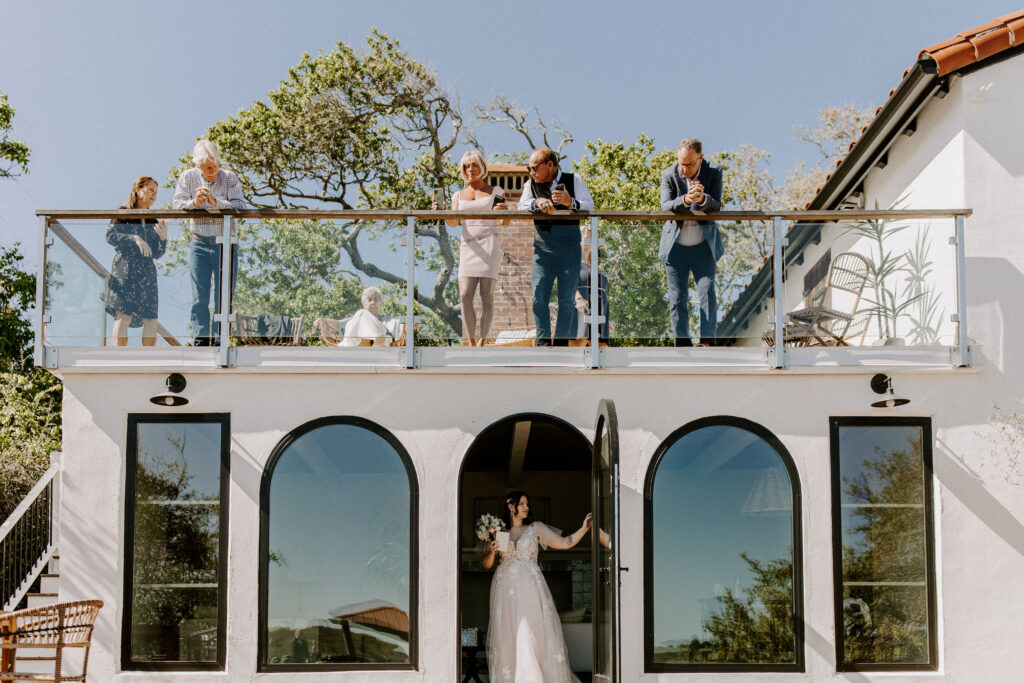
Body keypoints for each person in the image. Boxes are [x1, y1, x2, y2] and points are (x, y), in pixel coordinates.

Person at [482, 490, 592, 682]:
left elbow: (564, 543)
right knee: (509, 635)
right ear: (511, 506)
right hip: (505, 589)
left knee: (528, 631)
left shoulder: (535, 528)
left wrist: (583, 529)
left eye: (527, 504)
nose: (526, 507)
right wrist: (491, 553)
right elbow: (487, 565)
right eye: (522, 504)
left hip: (529, 587)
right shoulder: (501, 533)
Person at [172, 139, 246, 345]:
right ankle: (200, 342)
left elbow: (241, 207)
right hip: (200, 243)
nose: (212, 171)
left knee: (224, 297)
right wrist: (194, 203)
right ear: (198, 167)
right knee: (199, 297)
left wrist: (215, 203)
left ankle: (220, 342)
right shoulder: (188, 177)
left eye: (214, 166)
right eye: (207, 168)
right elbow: (176, 206)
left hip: (226, 244)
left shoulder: (229, 178)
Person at [518, 148, 595, 346]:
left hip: (569, 250)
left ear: (550, 165)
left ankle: (561, 346)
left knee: (567, 300)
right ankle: (543, 345)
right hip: (542, 251)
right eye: (529, 168)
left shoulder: (574, 179)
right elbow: (521, 206)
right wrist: (536, 202)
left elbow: (590, 206)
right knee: (538, 296)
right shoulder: (530, 185)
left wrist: (571, 202)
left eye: (534, 168)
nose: (531, 172)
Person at [434, 150, 510, 346]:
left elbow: (503, 221)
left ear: (482, 167)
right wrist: (442, 211)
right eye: (466, 166)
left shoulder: (496, 191)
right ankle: (470, 341)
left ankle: (483, 342)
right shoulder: (458, 195)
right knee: (465, 294)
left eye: (474, 165)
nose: (470, 169)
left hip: (490, 242)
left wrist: (505, 212)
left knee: (487, 295)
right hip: (468, 245)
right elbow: (453, 222)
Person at [657, 138, 724, 347]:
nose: (684, 169)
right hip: (675, 248)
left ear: (700, 159)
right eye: (681, 164)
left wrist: (702, 199)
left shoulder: (714, 171)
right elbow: (666, 205)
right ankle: (682, 345)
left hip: (704, 246)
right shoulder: (669, 174)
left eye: (689, 164)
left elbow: (717, 204)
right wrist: (686, 200)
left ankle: (707, 342)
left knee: (707, 292)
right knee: (677, 298)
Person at [104, 177, 168, 346]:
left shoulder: (153, 221)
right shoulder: (123, 211)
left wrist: (163, 239)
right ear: (138, 190)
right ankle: (119, 359)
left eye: (156, 192)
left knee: (151, 318)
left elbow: (157, 253)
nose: (154, 195)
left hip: (146, 272)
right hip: (125, 269)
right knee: (123, 316)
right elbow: (110, 236)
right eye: (150, 190)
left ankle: (148, 359)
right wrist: (135, 238)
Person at [572, 224, 609, 344]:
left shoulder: (594, 266)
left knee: (602, 348)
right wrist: (578, 298)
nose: (591, 239)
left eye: (592, 236)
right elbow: (566, 283)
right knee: (579, 344)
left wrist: (608, 319)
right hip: (582, 305)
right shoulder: (573, 263)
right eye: (587, 236)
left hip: (600, 309)